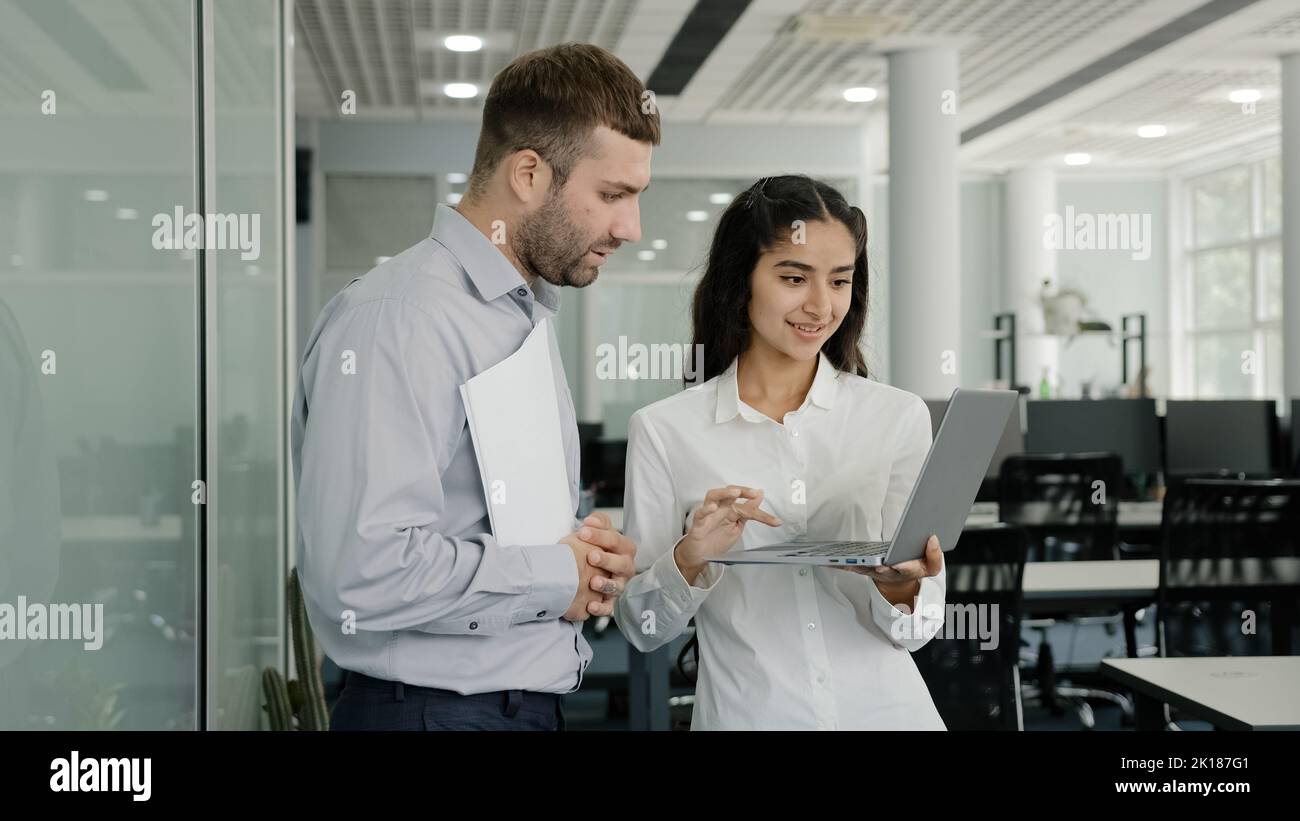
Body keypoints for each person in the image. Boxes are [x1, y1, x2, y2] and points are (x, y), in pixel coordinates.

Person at [292, 43, 656, 731]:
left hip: (509, 708)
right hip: (435, 714)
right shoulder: (402, 317)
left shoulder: (515, 312)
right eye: (612, 195)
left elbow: (475, 520)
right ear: (527, 173)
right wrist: (556, 573)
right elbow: (364, 569)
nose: (630, 228)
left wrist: (578, 548)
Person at [614, 175, 947, 730]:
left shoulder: (897, 417)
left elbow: (915, 633)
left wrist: (900, 586)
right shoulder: (665, 431)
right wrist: (690, 557)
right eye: (794, 277)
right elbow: (643, 627)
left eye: (839, 281)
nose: (821, 305)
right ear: (738, 283)